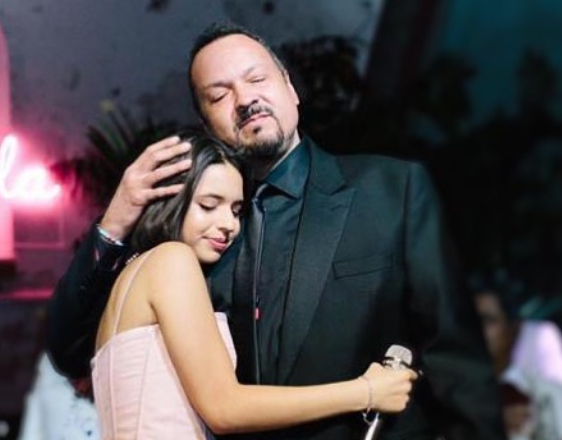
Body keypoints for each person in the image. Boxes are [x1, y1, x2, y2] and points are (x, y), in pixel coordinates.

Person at [48, 22, 506, 440]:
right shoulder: (200, 237)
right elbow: (74, 351)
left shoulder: (391, 191)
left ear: (290, 88)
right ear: (207, 124)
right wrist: (116, 220)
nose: (245, 99)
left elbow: (457, 362)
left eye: (257, 79)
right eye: (219, 95)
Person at [90, 133, 416, 439]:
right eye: (208, 205)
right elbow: (225, 408)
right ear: (171, 199)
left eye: (236, 210)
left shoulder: (131, 276)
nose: (228, 225)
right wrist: (366, 391)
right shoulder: (171, 260)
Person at [473, 277, 562, 440]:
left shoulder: (543, 394)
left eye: (487, 320)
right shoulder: (447, 391)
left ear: (512, 327)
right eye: (471, 322)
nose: (477, 331)